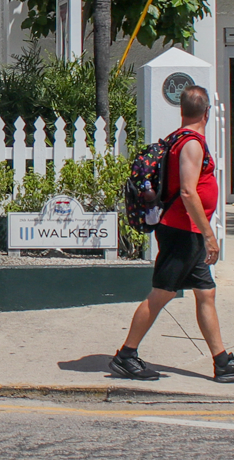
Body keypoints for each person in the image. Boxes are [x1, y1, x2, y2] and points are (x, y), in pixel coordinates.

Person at [112, 84, 233, 384]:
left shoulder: (177, 139)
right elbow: (189, 192)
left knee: (206, 293)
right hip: (183, 232)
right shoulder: (191, 144)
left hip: (186, 231)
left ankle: (222, 363)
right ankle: (126, 356)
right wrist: (208, 236)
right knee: (161, 294)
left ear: (183, 111)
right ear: (206, 112)